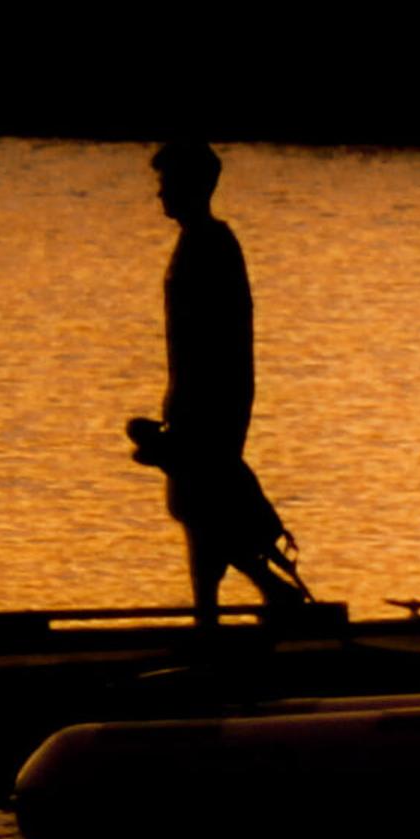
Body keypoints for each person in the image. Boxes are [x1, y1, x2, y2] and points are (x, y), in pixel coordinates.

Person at [144, 138, 302, 632]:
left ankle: (235, 606)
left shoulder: (212, 246)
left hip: (212, 401)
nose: (160, 195)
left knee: (198, 503)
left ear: (192, 187)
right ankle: (221, 609)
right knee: (197, 506)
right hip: (195, 399)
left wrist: (196, 406)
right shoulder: (195, 243)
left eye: (166, 184)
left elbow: (220, 337)